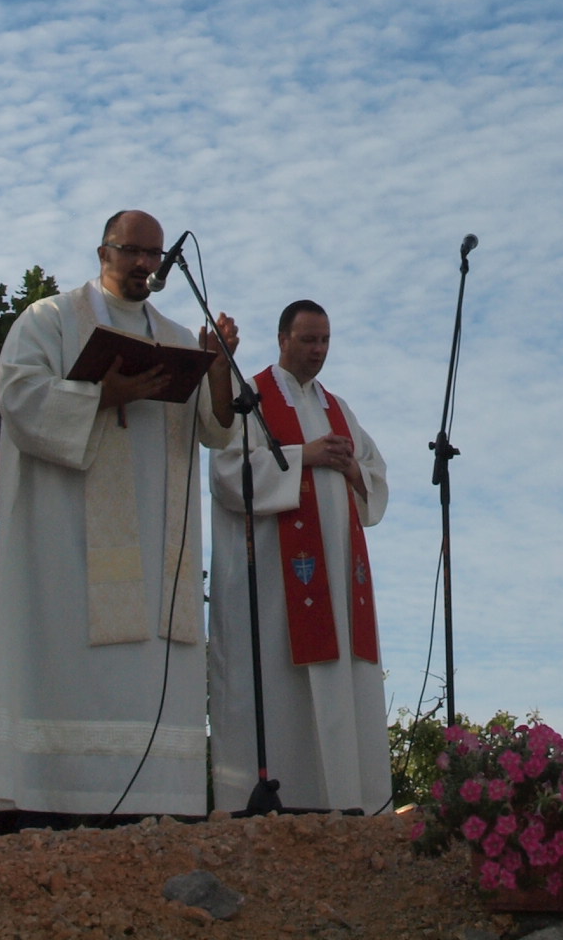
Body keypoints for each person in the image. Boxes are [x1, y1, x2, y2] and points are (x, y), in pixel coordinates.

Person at [0, 209, 237, 825]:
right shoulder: (48, 320)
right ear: (104, 251)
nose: (146, 265)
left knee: (151, 667)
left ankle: (162, 802)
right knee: (72, 657)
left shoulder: (178, 336)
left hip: (158, 560)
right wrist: (103, 396)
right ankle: (56, 799)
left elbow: (217, 428)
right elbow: (18, 398)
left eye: (155, 255)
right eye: (134, 252)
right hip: (70, 546)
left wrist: (220, 363)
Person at [208, 300, 390, 814]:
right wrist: (304, 457)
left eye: (326, 340)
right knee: (281, 689)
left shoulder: (338, 407)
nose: (318, 350)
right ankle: (280, 803)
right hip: (275, 586)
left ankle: (351, 801)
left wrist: (352, 469)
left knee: (344, 686)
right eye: (309, 340)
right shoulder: (254, 396)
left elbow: (375, 477)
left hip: (339, 583)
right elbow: (227, 473)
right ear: (284, 339)